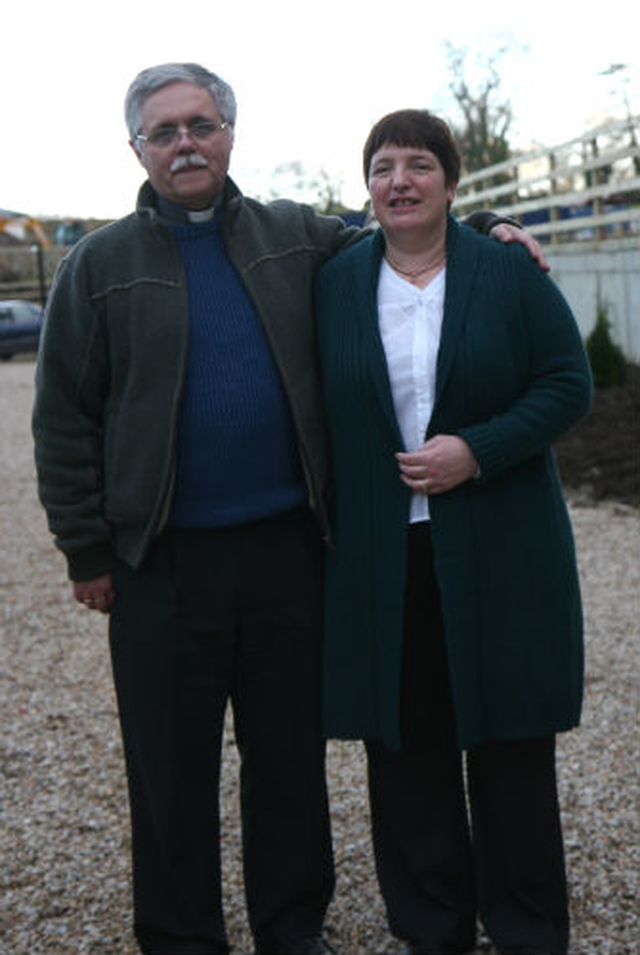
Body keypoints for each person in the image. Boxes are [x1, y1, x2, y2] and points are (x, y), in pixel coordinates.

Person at [32, 64, 545, 955]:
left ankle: (290, 924)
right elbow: (63, 419)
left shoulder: (292, 234)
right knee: (168, 769)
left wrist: (486, 225)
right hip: (162, 561)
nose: (185, 142)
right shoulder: (96, 266)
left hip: (287, 552)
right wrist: (87, 550)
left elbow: (400, 220)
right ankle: (181, 933)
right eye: (165, 131)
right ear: (137, 148)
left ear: (229, 132)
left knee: (288, 764)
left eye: (201, 123)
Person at [315, 109, 593, 955]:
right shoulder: (335, 282)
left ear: (452, 181)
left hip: (500, 542)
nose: (400, 180)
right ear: (366, 187)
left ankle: (526, 922)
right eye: (383, 167)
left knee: (509, 738)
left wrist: (480, 448)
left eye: (419, 165)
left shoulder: (505, 271)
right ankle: (431, 923)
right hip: (383, 556)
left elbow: (568, 383)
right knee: (406, 747)